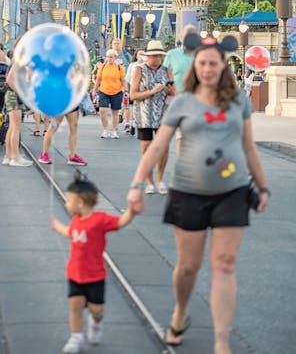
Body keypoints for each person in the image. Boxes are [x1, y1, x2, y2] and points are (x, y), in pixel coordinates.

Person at [127, 33, 271, 352]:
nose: (207, 69)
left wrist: (262, 186)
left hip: (232, 191)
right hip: (188, 192)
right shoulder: (183, 102)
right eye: (202, 63)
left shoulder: (239, 102)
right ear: (196, 66)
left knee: (224, 263)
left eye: (213, 64)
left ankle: (222, 341)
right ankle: (181, 311)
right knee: (188, 266)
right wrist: (138, 184)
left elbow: (248, 147)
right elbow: (159, 145)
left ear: (223, 66)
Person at [52, 172, 135, 353]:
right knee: (75, 306)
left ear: (80, 203)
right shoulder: (75, 220)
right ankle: (76, 337)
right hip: (75, 273)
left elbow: (120, 222)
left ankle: (96, 323)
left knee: (96, 310)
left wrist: (131, 211)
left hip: (95, 276)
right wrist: (59, 227)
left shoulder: (100, 220)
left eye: (68, 200)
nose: (66, 204)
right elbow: (72, 234)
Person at [130, 40, 175, 194]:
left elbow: (174, 92)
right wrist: (151, 91)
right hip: (144, 114)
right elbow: (133, 94)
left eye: (159, 56)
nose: (156, 59)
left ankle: (160, 179)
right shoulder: (139, 70)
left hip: (163, 114)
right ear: (148, 56)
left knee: (164, 147)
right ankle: (149, 181)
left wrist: (169, 90)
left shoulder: (167, 70)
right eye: (154, 56)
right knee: (147, 148)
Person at [2, 57, 32, 167]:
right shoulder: (19, 61)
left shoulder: (18, 60)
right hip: (14, 95)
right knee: (16, 126)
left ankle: (9, 155)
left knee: (12, 126)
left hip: (12, 95)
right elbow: (9, 79)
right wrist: (21, 91)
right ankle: (15, 157)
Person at [93, 50, 126, 139]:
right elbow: (98, 80)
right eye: (107, 57)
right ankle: (106, 130)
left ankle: (114, 131)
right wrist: (94, 90)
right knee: (102, 110)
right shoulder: (102, 67)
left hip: (117, 91)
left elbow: (123, 80)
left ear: (115, 58)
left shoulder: (119, 68)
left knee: (115, 113)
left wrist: (126, 91)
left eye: (111, 57)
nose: (109, 58)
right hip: (104, 91)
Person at [164, 26, 199, 92]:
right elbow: (164, 76)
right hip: (176, 97)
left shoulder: (201, 55)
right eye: (186, 37)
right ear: (181, 37)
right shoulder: (171, 54)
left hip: (197, 98)